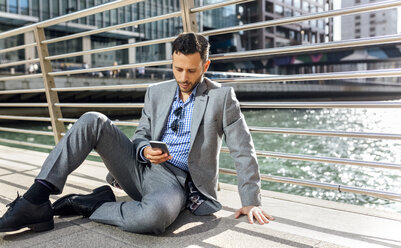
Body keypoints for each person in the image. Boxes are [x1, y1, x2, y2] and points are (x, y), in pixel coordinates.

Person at [0, 32, 273, 234]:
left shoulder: (221, 97)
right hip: (139, 166)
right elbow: (140, 134)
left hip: (174, 182)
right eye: (178, 69)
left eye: (192, 70)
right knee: (92, 120)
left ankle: (92, 205)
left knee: (152, 218)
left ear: (206, 65)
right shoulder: (157, 92)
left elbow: (243, 149)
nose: (184, 77)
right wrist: (144, 150)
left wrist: (251, 201)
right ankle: (35, 199)